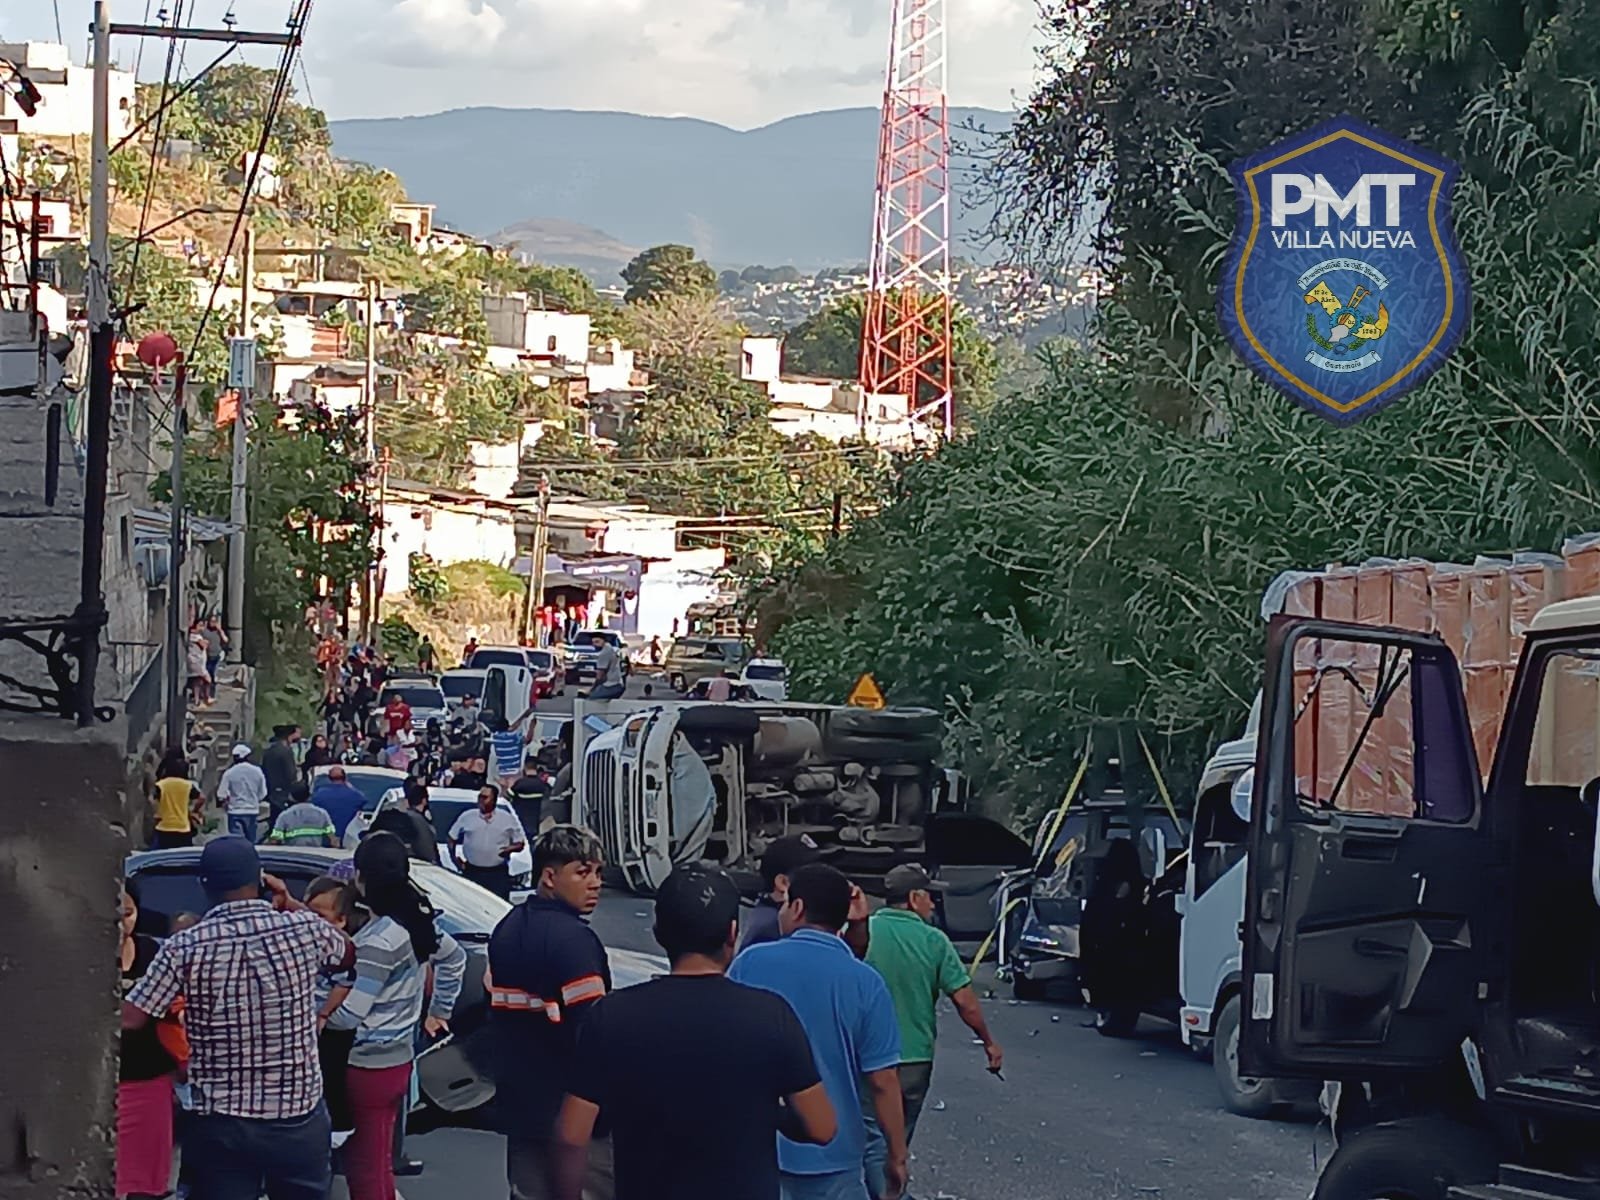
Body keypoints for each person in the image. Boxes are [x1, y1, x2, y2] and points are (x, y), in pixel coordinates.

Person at [552, 863, 837, 1200]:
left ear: (659, 933)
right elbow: (822, 1127)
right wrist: (769, 1114)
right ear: (732, 933)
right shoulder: (770, 1015)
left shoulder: (612, 1016)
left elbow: (571, 1134)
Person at [123, 838, 356, 1200]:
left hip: (221, 1123)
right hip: (297, 1117)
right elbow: (346, 954)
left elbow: (133, 1018)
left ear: (205, 885)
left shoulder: (184, 948)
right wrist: (292, 904)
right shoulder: (305, 930)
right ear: (261, 880)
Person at [729, 863, 908, 1200]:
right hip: (836, 1153)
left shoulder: (750, 963)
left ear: (797, 908)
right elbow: (883, 1082)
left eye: (785, 903)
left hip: (758, 1146)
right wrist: (896, 1156)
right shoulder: (865, 982)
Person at [328, 833, 466, 1200]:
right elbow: (455, 960)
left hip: (366, 1067)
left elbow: (350, 1014)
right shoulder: (416, 923)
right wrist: (439, 1012)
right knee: (379, 1160)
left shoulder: (378, 940)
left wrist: (316, 1015)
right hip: (399, 1060)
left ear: (362, 880)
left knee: (364, 1167)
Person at [862, 865, 1003, 1198]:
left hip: (866, 1056)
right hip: (914, 1058)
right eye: (930, 897)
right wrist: (989, 1042)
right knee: (897, 1139)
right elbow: (966, 1002)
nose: (934, 906)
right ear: (914, 898)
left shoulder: (860, 932)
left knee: (871, 1135)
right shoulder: (933, 940)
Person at [490, 826, 613, 1200]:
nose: (595, 884)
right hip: (572, 1111)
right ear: (548, 876)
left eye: (598, 873)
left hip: (521, 1103)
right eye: (582, 871)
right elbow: (593, 1032)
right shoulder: (573, 940)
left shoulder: (507, 929)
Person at [118, 882, 185, 1200]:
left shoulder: (154, 954)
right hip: (99, 1087)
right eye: (115, 914)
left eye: (129, 912)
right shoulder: (79, 959)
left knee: (146, 1182)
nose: (122, 922)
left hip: (150, 1083)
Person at [306, 876, 366, 1150]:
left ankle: (340, 1125)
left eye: (319, 916)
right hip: (308, 1022)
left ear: (341, 920)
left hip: (329, 1024)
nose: (311, 922)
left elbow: (344, 984)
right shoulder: (306, 944)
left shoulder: (342, 950)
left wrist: (325, 1013)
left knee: (331, 1073)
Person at [740, 835, 823, 953]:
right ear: (783, 883)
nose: (823, 879)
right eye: (813, 874)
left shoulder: (771, 917)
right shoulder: (770, 928)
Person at [449, 785, 527, 899]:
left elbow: (520, 843)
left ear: (494, 800)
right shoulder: (467, 816)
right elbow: (451, 839)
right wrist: (455, 860)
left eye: (485, 797)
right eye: (479, 797)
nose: (480, 800)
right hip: (472, 872)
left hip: (497, 874)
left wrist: (509, 850)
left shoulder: (507, 819)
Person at [151, 748, 205, 849]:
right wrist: (193, 810)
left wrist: (158, 813)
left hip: (164, 827)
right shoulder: (187, 786)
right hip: (183, 827)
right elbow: (201, 798)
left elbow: (154, 802)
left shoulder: (160, 785)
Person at [217, 742, 268, 843]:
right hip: (252, 811)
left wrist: (227, 803)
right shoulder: (257, 771)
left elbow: (221, 794)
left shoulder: (229, 773)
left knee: (236, 842)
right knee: (251, 841)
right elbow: (263, 793)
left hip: (234, 811)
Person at [270, 782, 339, 847]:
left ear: (291, 797)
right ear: (309, 796)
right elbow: (333, 839)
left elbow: (275, 840)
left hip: (292, 854)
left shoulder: (285, 815)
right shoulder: (322, 813)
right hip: (316, 854)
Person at [263, 724, 302, 822]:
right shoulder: (286, 751)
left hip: (271, 788)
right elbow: (290, 773)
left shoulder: (269, 750)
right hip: (284, 790)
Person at [508, 753, 549, 841]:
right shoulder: (543, 786)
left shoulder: (519, 785)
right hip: (537, 826)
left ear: (524, 767)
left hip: (521, 825)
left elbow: (508, 797)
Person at [588, 633, 625, 701]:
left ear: (603, 641)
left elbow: (600, 675)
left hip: (611, 685)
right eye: (593, 642)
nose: (595, 645)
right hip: (618, 684)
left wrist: (592, 689)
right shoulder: (610, 648)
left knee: (590, 700)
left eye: (597, 642)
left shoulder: (605, 653)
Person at [186, 624, 211, 707]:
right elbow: (204, 645)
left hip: (200, 662)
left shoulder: (198, 636)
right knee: (208, 680)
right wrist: (204, 641)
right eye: (200, 626)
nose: (202, 628)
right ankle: (206, 697)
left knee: (198, 681)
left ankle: (198, 699)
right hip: (196, 662)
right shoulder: (194, 636)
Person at [203, 615, 228, 685]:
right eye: (211, 621)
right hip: (207, 655)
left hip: (217, 655)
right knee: (206, 673)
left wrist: (220, 630)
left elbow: (225, 640)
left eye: (214, 622)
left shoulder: (218, 631)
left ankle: (212, 687)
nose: (212, 623)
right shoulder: (205, 631)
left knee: (214, 673)